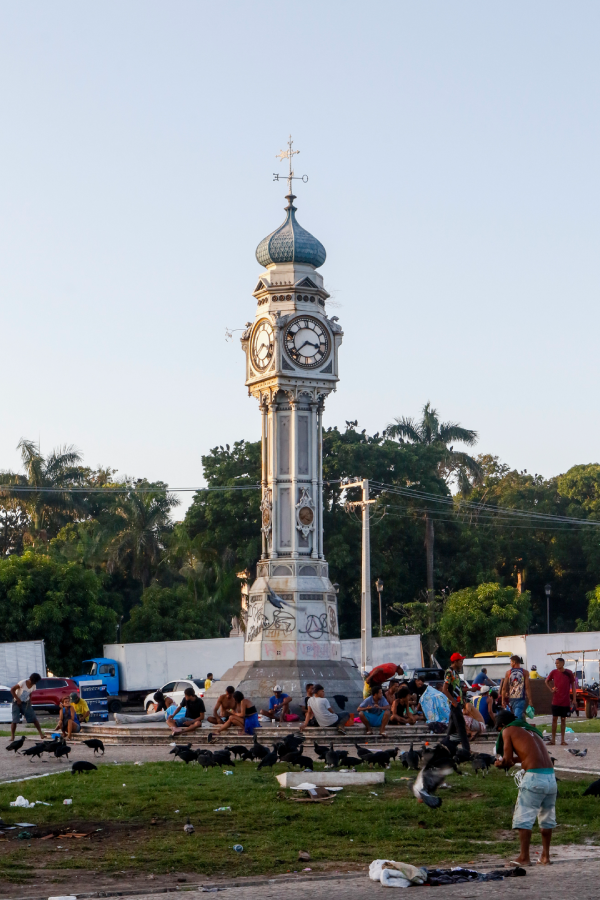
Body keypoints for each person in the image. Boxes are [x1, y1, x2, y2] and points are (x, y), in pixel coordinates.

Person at [494, 710, 557, 866]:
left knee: (524, 819)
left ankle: (524, 857)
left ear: (502, 725)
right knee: (546, 819)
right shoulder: (530, 731)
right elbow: (526, 756)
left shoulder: (508, 730)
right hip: (550, 778)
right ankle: (545, 856)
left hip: (534, 778)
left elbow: (508, 760)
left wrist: (500, 764)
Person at [442, 652, 470, 753]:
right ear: (456, 662)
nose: (462, 663)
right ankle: (467, 750)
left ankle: (444, 746)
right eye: (461, 661)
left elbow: (457, 689)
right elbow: (444, 689)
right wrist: (454, 702)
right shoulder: (449, 672)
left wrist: (462, 700)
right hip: (455, 705)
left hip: (458, 704)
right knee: (461, 728)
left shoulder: (456, 673)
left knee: (452, 728)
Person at [545, 658, 575, 746]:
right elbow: (546, 681)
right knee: (554, 719)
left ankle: (562, 740)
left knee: (563, 719)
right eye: (556, 663)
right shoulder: (553, 672)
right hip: (556, 700)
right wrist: (551, 689)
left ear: (563, 663)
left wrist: (574, 698)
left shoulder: (569, 673)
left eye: (558, 663)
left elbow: (573, 686)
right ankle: (553, 740)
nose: (556, 665)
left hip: (565, 701)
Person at [10, 673, 44, 741]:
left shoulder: (34, 685)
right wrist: (17, 699)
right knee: (15, 719)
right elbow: (12, 689)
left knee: (33, 718)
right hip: (16, 702)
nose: (34, 683)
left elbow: (30, 693)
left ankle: (41, 734)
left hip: (26, 702)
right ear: (31, 679)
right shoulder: (23, 683)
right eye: (34, 681)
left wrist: (30, 702)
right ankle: (12, 736)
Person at [502, 655, 532, 720]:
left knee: (516, 716)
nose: (510, 663)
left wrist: (503, 700)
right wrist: (530, 700)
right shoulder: (525, 672)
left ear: (514, 662)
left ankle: (520, 727)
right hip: (521, 698)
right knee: (517, 717)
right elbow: (527, 687)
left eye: (511, 662)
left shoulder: (508, 673)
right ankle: (522, 728)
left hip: (512, 698)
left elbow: (504, 687)